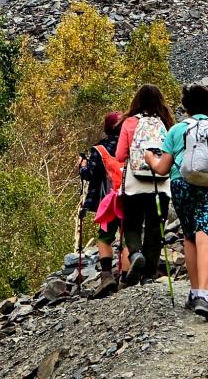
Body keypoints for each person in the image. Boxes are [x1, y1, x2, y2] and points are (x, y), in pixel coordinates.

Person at [145, 84, 208, 320]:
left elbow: (162, 169)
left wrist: (150, 159)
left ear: (185, 108)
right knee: (207, 233)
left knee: (190, 235)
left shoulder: (176, 130)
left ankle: (195, 293)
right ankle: (204, 295)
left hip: (182, 184)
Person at [116, 84, 174, 284]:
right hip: (161, 183)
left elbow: (120, 155)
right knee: (155, 228)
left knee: (131, 224)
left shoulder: (130, 122)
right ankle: (148, 275)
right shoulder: (166, 122)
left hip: (135, 183)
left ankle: (135, 253)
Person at [78, 110, 124, 296]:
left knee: (105, 237)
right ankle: (127, 278)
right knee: (128, 236)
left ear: (106, 128)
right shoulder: (132, 145)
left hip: (109, 200)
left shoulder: (100, 149)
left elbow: (90, 174)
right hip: (131, 196)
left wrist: (82, 165)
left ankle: (107, 276)